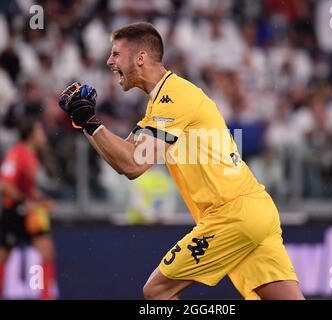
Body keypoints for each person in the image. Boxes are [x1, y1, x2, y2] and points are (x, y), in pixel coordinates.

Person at [58, 22, 304, 300]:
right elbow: (126, 153)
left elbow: (132, 165)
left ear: (140, 58)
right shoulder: (165, 99)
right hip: (255, 209)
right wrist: (85, 122)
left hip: (231, 214)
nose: (109, 61)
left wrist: (91, 123)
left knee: (157, 291)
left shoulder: (172, 98)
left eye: (116, 54)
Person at [0, 120, 56, 300]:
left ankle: (45, 296)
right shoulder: (17, 153)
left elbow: (27, 187)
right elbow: (5, 184)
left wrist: (38, 200)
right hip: (14, 212)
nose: (43, 135)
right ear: (32, 134)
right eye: (40, 131)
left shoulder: (32, 156)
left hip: (29, 212)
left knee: (46, 251)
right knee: (3, 256)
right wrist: (26, 201)